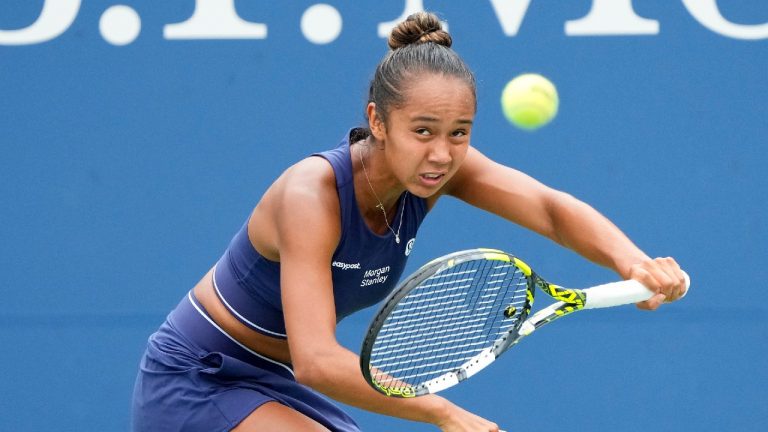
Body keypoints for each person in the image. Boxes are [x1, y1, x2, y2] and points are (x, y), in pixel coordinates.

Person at [131, 11, 687, 432]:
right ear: (377, 120)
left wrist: (632, 261)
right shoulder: (311, 195)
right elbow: (319, 362)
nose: (443, 154)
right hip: (198, 377)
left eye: (459, 132)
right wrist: (444, 411)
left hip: (273, 381)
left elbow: (548, 208)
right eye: (423, 131)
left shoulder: (439, 171)